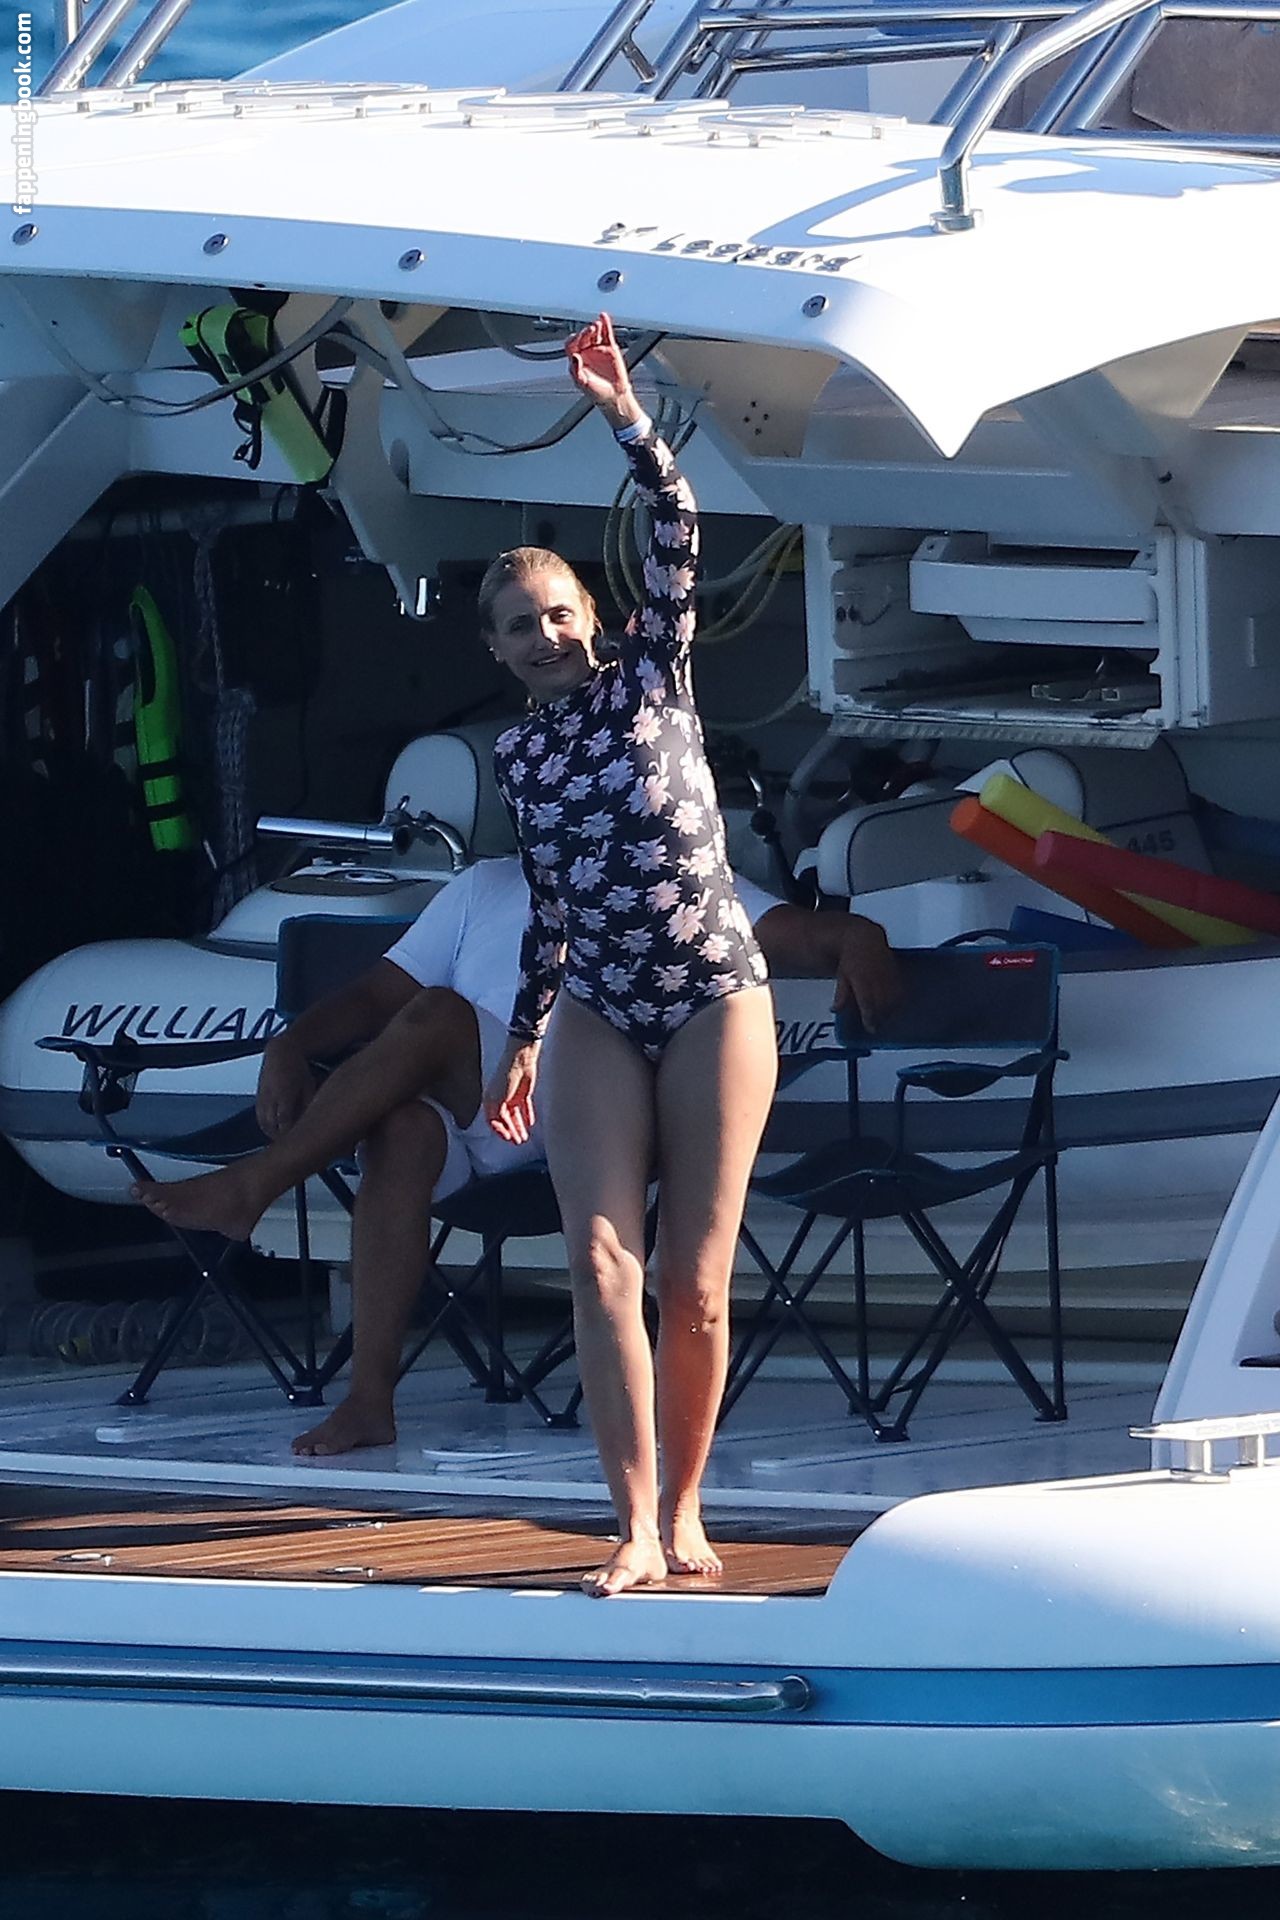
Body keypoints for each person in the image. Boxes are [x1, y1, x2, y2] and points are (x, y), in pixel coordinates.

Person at [133, 854, 897, 1458]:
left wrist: (860, 935)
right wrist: (291, 1043)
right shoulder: (486, 886)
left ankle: (257, 1184)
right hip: (476, 1121)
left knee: (438, 1014)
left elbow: (798, 936)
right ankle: (369, 1402)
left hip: (588, 1124)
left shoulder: (675, 875)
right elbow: (375, 995)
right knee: (402, 1131)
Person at [482, 313, 800, 1595]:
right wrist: (522, 1036)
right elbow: (551, 900)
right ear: (495, 650)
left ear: (593, 618)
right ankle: (627, 1527)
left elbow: (675, 520)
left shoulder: (650, 679)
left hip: (712, 991)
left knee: (690, 1283)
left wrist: (624, 413)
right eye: (520, 626)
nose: (545, 636)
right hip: (602, 1005)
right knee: (600, 1263)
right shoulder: (516, 754)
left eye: (558, 614)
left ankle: (685, 1509)